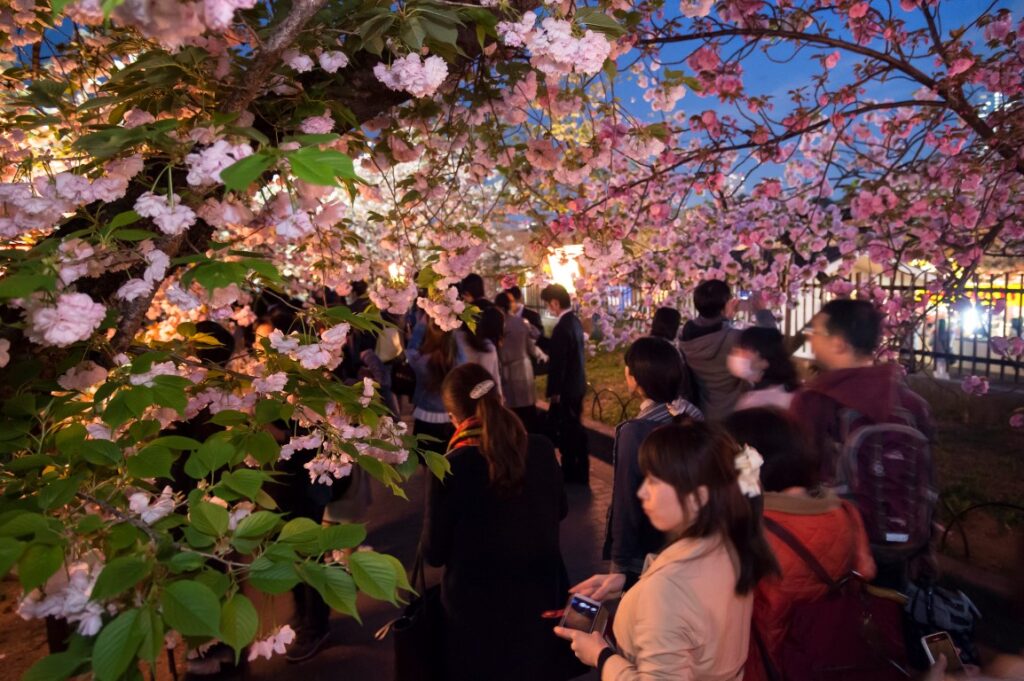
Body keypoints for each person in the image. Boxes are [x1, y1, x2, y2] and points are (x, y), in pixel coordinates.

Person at [556, 421, 779, 679]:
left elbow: (674, 599)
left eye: (653, 480)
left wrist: (601, 656)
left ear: (699, 498)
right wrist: (628, 583)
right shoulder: (730, 542)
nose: (641, 492)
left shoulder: (667, 590)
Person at [422, 363, 577, 681]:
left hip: (474, 615)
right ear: (499, 397)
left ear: (454, 418)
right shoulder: (541, 448)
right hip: (539, 603)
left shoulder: (450, 466)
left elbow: (434, 553)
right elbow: (560, 510)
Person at [723, 407, 876, 681]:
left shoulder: (750, 529)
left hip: (762, 664)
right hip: (823, 654)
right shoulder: (844, 512)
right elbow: (865, 571)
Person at [792, 298, 935, 589]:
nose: (810, 338)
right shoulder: (912, 403)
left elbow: (800, 471)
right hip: (905, 543)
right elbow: (927, 476)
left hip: (838, 545)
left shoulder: (815, 402)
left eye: (816, 332)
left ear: (839, 343)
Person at [603, 336, 702, 588]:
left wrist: (619, 560)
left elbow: (626, 499)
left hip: (644, 551)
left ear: (635, 379)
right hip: (686, 545)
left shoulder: (634, 432)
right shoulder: (692, 415)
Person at [679, 280, 778, 420]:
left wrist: (725, 319)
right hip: (733, 410)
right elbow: (771, 341)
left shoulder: (685, 336)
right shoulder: (735, 338)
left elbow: (712, 334)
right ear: (724, 305)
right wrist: (762, 311)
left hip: (702, 408)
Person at [541, 283, 589, 484]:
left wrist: (555, 391)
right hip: (577, 385)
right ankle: (580, 469)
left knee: (568, 431)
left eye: (548, 305)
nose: (548, 309)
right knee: (575, 428)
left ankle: (571, 471)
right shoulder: (574, 322)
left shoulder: (563, 326)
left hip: (566, 389)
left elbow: (558, 363)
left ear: (555, 302)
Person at [406, 319, 458, 454]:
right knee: (447, 457)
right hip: (450, 413)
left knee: (425, 458)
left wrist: (422, 325)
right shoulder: (456, 361)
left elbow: (410, 349)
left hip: (424, 413)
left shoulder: (420, 360)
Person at [495, 291, 543, 430]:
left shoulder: (498, 324)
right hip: (524, 368)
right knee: (527, 409)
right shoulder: (522, 322)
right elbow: (532, 342)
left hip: (506, 370)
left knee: (511, 411)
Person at [729, 327, 800, 411]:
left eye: (743, 351)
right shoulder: (786, 390)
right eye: (735, 351)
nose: (736, 356)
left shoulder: (755, 403)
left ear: (764, 361)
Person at [455, 306, 504, 401]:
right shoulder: (488, 347)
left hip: (459, 397)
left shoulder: (455, 340)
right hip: (483, 400)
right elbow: (493, 378)